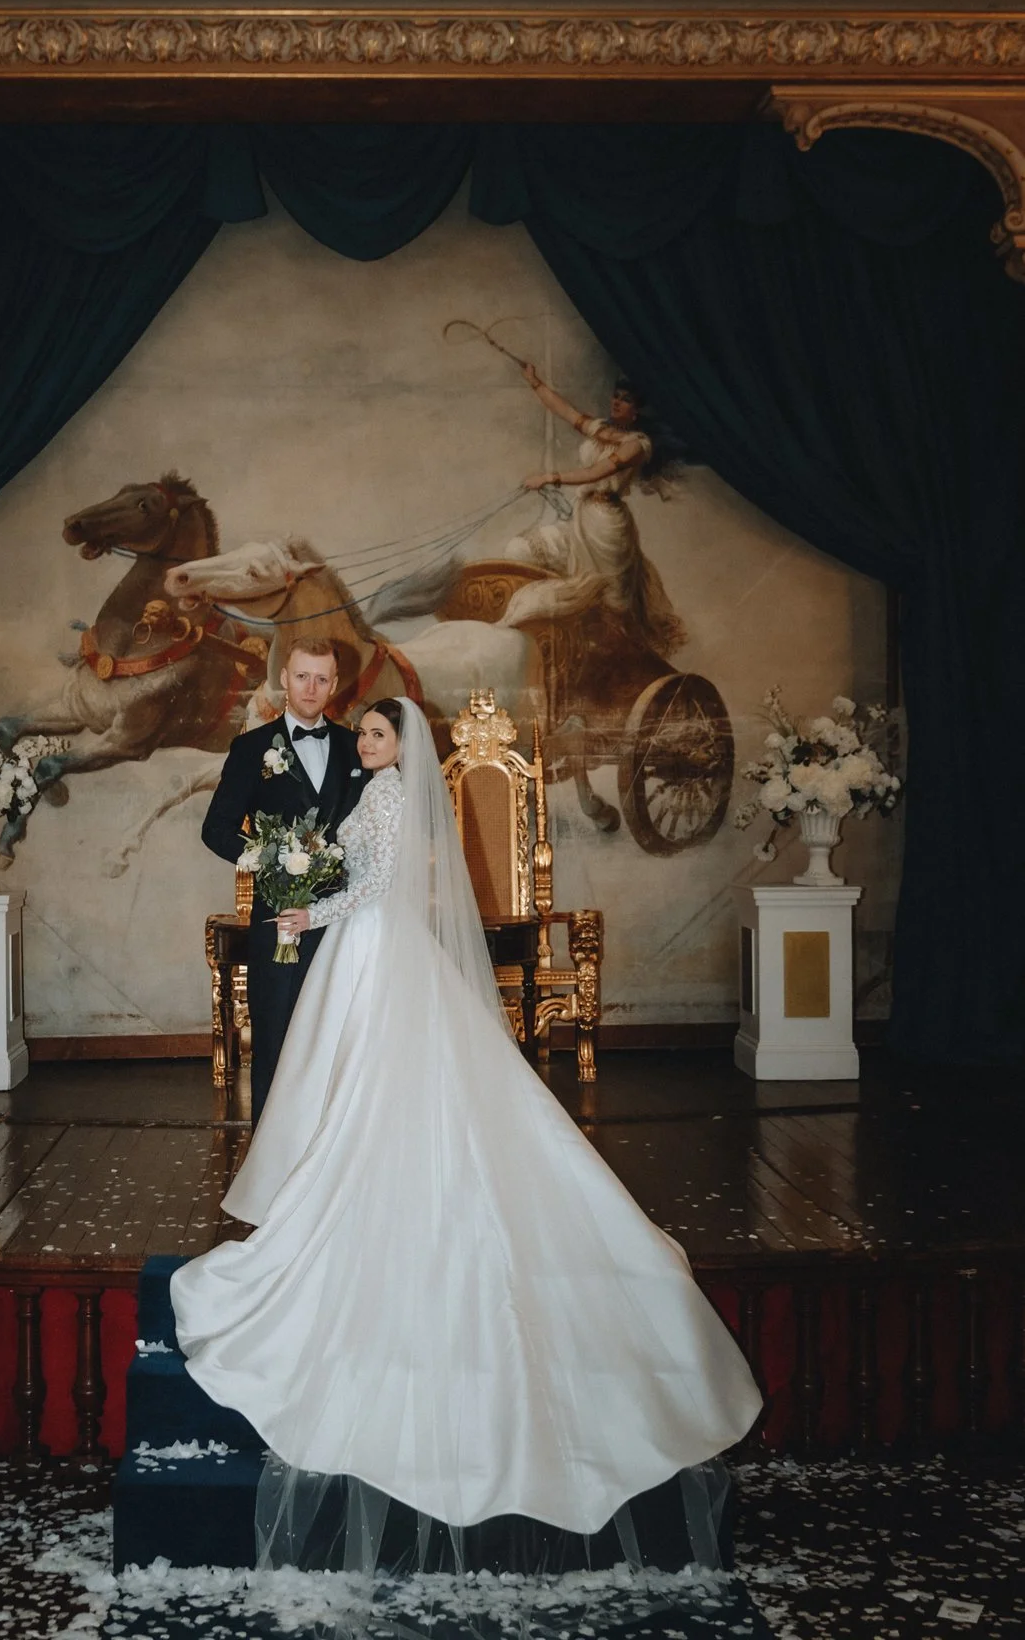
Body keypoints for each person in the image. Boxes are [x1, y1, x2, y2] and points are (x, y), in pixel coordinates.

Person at [172, 696, 762, 1572]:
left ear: (395, 742)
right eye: (363, 735)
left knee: (370, 1083)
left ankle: (367, 1196)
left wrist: (307, 914)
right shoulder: (386, 794)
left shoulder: (385, 795)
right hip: (377, 948)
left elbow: (370, 887)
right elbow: (360, 876)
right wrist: (310, 892)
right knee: (375, 1083)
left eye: (373, 734)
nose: (363, 742)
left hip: (370, 948)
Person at [201, 638, 367, 1125]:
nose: (311, 688)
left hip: (344, 921)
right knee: (275, 1038)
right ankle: (270, 1160)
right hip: (278, 921)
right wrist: (269, 859)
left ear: (335, 684)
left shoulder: (356, 745)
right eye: (302, 677)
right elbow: (215, 829)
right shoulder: (252, 748)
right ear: (284, 680)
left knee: (340, 1036)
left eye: (321, 679)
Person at [503, 367, 686, 655]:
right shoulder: (602, 429)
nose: (616, 402)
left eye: (625, 399)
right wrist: (535, 383)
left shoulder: (637, 445)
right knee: (520, 550)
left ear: (636, 410)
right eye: (615, 396)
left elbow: (597, 471)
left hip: (608, 529)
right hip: (582, 518)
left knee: (613, 607)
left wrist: (550, 477)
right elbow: (565, 410)